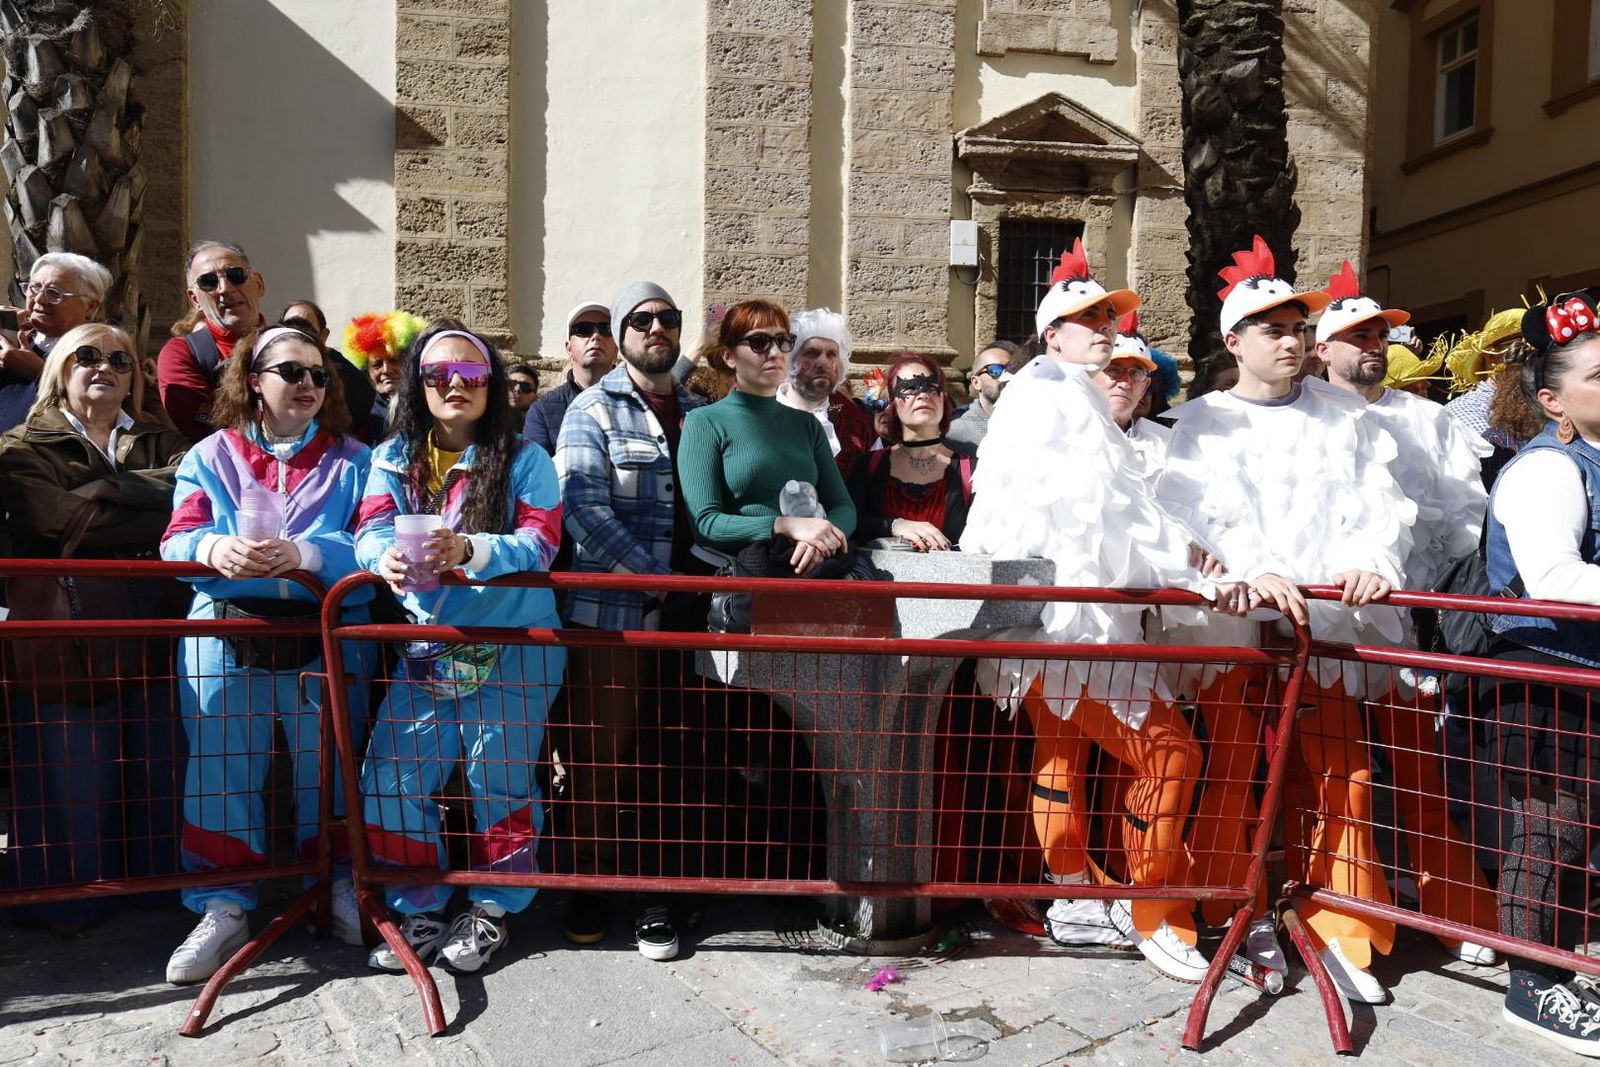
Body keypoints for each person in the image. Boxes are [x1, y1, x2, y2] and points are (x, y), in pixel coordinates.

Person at [962, 239, 1239, 984]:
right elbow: (1107, 518)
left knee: (1069, 755)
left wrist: (1185, 560)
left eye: (1109, 319)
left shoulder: (1055, 395)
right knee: (1170, 754)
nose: (1106, 329)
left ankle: (1082, 897)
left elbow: (1113, 515)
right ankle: (1150, 910)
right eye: (1090, 319)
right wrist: (1193, 573)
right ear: (1052, 335)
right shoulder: (1052, 396)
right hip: (1069, 629)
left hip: (1071, 626)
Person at [1158, 235, 1411, 1004]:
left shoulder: (1345, 415)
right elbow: (1190, 517)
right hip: (1239, 638)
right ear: (1235, 341)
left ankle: (1342, 925)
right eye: (1273, 328)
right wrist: (1251, 570)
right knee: (1237, 773)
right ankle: (1232, 908)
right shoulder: (1200, 421)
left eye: (1299, 327)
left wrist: (1373, 559)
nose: (1292, 340)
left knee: (1345, 778)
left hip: (1330, 630)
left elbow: (1381, 505)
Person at [158, 324, 375, 985]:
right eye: (292, 371)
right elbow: (176, 539)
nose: (308, 384)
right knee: (220, 772)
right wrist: (212, 549)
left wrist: (308, 554)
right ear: (254, 380)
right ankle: (223, 903)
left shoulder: (356, 460)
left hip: (325, 639)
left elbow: (376, 541)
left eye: (320, 375)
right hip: (225, 637)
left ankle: (337, 881)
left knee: (329, 768)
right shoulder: (209, 455)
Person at [356, 320, 566, 975]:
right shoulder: (393, 457)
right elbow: (368, 529)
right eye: (438, 374)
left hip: (513, 643)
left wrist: (471, 548)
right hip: (429, 644)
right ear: (417, 383)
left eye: (471, 374)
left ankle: (495, 905)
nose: (455, 384)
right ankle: (418, 902)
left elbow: (542, 542)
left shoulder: (525, 458)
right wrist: (383, 559)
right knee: (391, 780)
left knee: (498, 783)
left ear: (491, 384)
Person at [1315, 261, 1499, 964]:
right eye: (1358, 335)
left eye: (1379, 334)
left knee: (1423, 775)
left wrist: (1446, 604)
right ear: (1323, 348)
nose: (1374, 345)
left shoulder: (1428, 419)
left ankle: (1458, 909)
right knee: (1339, 781)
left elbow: (1466, 517)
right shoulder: (1304, 417)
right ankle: (1341, 910)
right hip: (1326, 627)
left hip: (1411, 626)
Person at [0, 322, 189, 932]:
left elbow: (194, 493)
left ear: (135, 376)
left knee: (159, 762)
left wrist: (109, 486)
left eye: (121, 359)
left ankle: (158, 886)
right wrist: (150, 512)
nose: (104, 366)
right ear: (60, 369)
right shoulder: (21, 445)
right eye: (87, 355)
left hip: (156, 627)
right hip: (67, 636)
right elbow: (51, 520)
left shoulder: (163, 439)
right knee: (72, 771)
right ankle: (71, 899)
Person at [554, 281, 706, 959]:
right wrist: (656, 579)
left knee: (669, 756)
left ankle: (654, 891)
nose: (656, 327)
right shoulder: (590, 410)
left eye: (667, 318)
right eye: (641, 320)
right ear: (621, 335)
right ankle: (589, 884)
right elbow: (581, 509)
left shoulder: (700, 412)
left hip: (691, 620)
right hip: (610, 618)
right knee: (599, 760)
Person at [1479, 292, 1600, 1054]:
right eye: (1598, 375)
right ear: (1553, 400)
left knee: (1579, 831)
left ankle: (1565, 963)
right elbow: (1554, 577)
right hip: (1546, 677)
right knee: (1547, 831)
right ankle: (1531, 984)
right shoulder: (1549, 468)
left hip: (1585, 676)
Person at [679, 300, 857, 576]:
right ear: (729, 356)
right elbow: (706, 523)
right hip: (741, 577)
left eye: (783, 341)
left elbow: (843, 506)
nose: (775, 352)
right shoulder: (704, 422)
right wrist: (783, 525)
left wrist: (821, 540)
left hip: (807, 571)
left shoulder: (807, 425)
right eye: (759, 342)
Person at [846, 352, 973, 550]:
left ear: (943, 399)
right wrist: (892, 525)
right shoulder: (867, 467)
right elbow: (848, 526)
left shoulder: (973, 471)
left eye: (932, 388)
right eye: (910, 388)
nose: (923, 395)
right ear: (893, 404)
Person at [158, 242, 269, 441]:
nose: (225, 288)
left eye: (236, 275)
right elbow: (211, 429)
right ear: (195, 299)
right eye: (208, 282)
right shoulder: (181, 353)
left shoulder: (297, 346)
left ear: (259, 284)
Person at [0, 252, 116, 434]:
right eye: (34, 288)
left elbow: (104, 413)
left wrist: (40, 373)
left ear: (90, 306)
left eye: (54, 294)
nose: (39, 299)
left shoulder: (104, 354)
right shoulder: (12, 341)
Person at [775, 308, 875, 472]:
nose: (823, 362)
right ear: (790, 360)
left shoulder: (858, 425)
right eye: (811, 353)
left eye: (831, 354)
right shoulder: (759, 414)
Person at [524, 301, 617, 454]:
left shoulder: (638, 401)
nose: (596, 336)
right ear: (569, 348)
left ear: (616, 349)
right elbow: (538, 467)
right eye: (583, 330)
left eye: (606, 329)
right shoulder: (542, 411)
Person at [1101, 311, 1169, 476]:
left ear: (1145, 387)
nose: (1125, 383)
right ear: (1093, 376)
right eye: (1113, 370)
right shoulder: (1062, 434)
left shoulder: (1166, 447)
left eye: (1136, 373)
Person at [343, 310, 426, 442]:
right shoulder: (358, 411)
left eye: (394, 360)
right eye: (377, 364)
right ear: (367, 371)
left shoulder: (424, 404)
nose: (386, 369)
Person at [947, 340, 1023, 450]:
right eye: (995, 370)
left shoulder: (1035, 426)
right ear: (976, 382)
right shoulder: (955, 435)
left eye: (1012, 371)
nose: (1006, 377)